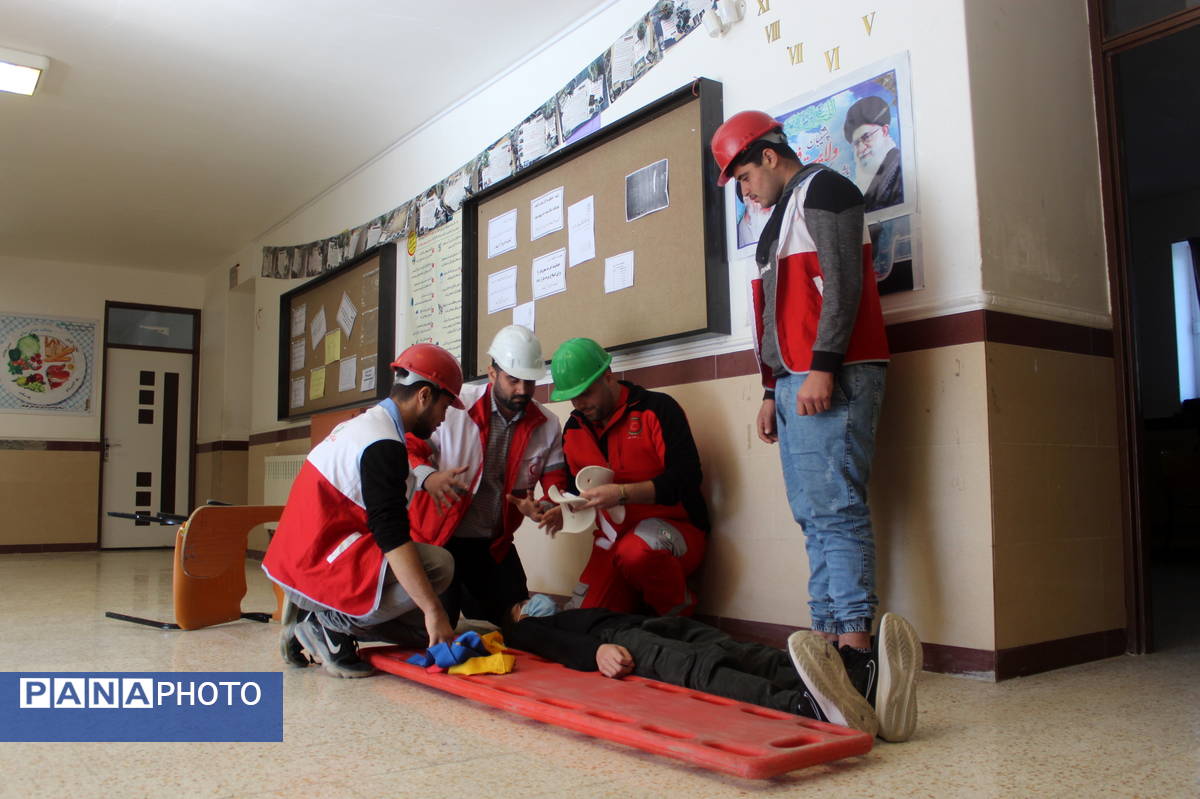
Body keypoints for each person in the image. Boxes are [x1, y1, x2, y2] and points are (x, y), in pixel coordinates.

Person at [710, 110, 897, 704]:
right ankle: (824, 643)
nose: (743, 191)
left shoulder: (827, 189)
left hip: (831, 373)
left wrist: (822, 365)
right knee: (812, 516)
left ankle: (856, 653)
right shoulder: (779, 215)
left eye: (742, 177)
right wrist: (771, 388)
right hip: (794, 379)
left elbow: (843, 284)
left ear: (768, 155)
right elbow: (772, 312)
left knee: (837, 511)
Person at [263, 343, 465, 678]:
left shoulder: (369, 426)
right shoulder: (382, 444)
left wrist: (432, 618)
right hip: (317, 563)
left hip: (308, 559)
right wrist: (433, 610)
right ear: (425, 395)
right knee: (439, 567)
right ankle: (329, 623)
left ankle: (317, 621)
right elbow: (392, 536)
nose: (444, 419)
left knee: (420, 633)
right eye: (445, 406)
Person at [505, 605, 921, 741]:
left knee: (740, 650)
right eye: (520, 603)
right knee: (703, 670)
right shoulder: (525, 626)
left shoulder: (570, 607)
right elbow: (546, 644)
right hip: (621, 641)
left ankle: (856, 687)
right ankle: (805, 707)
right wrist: (595, 651)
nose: (528, 602)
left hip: (646, 623)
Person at [406, 325, 569, 628]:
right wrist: (429, 477)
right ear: (492, 373)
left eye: (529, 381)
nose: (522, 390)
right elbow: (407, 450)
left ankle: (475, 600)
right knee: (432, 629)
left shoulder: (547, 423)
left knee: (525, 621)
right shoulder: (453, 406)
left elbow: (555, 481)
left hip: (493, 543)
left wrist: (548, 506)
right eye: (513, 379)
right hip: (439, 540)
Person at [546, 337, 708, 616]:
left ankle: (679, 617)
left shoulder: (657, 409)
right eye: (573, 396)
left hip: (677, 531)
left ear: (608, 376)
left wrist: (621, 493)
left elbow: (687, 477)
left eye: (586, 392)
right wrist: (560, 509)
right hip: (611, 541)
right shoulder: (574, 428)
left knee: (637, 551)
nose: (580, 403)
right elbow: (577, 488)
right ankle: (635, 610)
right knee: (582, 618)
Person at [843, 96, 903, 212]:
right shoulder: (871, 183)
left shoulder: (900, 167)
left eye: (866, 137)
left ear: (884, 131)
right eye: (856, 144)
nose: (861, 149)